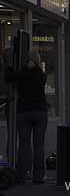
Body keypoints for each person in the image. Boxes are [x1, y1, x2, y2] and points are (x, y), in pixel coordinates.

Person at [4, 50, 48, 184]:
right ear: (38, 61)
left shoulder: (22, 74)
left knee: (24, 144)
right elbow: (34, 75)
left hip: (24, 112)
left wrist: (10, 65)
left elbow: (8, 77)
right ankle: (38, 177)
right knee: (39, 146)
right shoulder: (42, 75)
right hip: (40, 112)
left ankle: (22, 175)